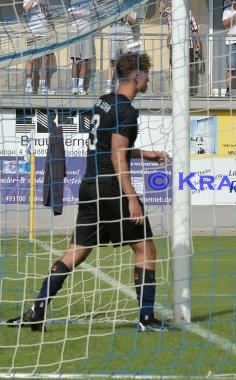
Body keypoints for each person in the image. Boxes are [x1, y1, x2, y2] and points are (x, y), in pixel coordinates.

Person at [7, 52, 176, 332]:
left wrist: (147, 154)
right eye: (146, 74)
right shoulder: (127, 110)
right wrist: (132, 199)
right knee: (146, 249)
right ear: (136, 76)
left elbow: (111, 147)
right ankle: (147, 318)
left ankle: (37, 310)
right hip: (111, 187)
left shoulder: (104, 102)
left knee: (77, 252)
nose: (149, 79)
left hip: (89, 186)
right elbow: (116, 157)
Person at [159, 0, 202, 96]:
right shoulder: (169, 12)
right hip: (174, 45)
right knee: (175, 67)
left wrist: (197, 42)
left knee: (187, 67)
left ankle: (185, 91)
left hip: (188, 45)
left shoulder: (188, 12)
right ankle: (177, 91)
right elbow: (160, 11)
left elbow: (194, 29)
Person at [23, 0, 55, 95]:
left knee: (44, 59)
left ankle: (42, 87)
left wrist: (52, 28)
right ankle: (28, 85)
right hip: (32, 32)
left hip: (44, 33)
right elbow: (26, 9)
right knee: (30, 59)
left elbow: (48, 14)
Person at [105, 12, 137, 94]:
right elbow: (107, 20)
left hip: (127, 36)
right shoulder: (114, 5)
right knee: (112, 62)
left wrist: (127, 13)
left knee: (128, 62)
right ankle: (109, 87)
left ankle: (126, 86)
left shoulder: (131, 4)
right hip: (114, 35)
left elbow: (133, 22)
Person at [68, 0, 95, 95]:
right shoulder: (73, 1)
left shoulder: (90, 2)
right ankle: (74, 87)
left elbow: (92, 13)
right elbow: (71, 14)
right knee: (75, 60)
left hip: (87, 31)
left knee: (84, 61)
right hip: (74, 31)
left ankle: (80, 87)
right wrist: (83, 13)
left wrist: (80, 14)